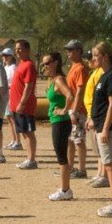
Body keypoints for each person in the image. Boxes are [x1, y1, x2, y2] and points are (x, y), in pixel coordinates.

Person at [91, 42, 112, 218]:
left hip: (109, 128)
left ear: (105, 57)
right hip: (100, 126)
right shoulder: (104, 75)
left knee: (111, 165)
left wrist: (105, 128)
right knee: (108, 164)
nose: (93, 59)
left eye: (95, 55)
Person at [42, 52, 75, 201]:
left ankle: (65, 190)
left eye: (47, 63)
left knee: (61, 157)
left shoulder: (59, 79)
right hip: (58, 121)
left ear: (55, 63)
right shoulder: (54, 79)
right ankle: (65, 189)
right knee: (61, 155)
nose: (45, 66)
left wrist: (64, 110)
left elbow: (70, 95)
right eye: (44, 64)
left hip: (61, 121)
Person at [10, 39, 38, 169]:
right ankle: (28, 158)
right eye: (16, 49)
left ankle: (31, 160)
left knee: (28, 132)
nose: (17, 51)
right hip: (16, 106)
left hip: (25, 106)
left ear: (27, 50)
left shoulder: (29, 65)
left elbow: (28, 86)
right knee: (23, 132)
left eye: (20, 49)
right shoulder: (20, 64)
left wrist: (22, 103)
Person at [83, 50, 108, 188]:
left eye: (91, 59)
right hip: (91, 113)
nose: (89, 61)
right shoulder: (95, 73)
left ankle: (104, 175)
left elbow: (97, 98)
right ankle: (100, 173)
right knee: (97, 148)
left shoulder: (100, 73)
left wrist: (92, 116)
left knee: (101, 147)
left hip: (96, 114)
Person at [64, 39, 89, 179]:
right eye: (68, 49)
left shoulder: (80, 68)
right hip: (73, 108)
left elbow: (80, 91)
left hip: (78, 109)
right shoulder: (73, 67)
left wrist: (74, 110)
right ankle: (71, 167)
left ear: (79, 51)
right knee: (71, 139)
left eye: (71, 49)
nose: (68, 52)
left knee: (78, 139)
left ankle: (82, 169)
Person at [1, 47, 22, 150]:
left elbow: (15, 82)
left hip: (11, 95)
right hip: (6, 95)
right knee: (8, 118)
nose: (3, 57)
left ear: (11, 56)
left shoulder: (14, 68)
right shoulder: (5, 67)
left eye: (5, 55)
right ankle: (13, 140)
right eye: (3, 55)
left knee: (13, 119)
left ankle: (18, 141)